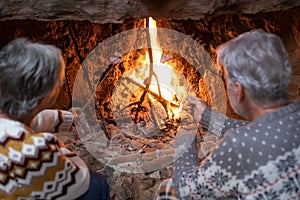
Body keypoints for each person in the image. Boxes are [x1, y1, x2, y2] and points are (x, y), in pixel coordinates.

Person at [155, 29, 300, 199]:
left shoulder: (237, 145)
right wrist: (208, 118)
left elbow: (187, 191)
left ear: (238, 90)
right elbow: (269, 129)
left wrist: (185, 142)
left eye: (225, 79)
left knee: (168, 189)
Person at [0, 38, 110, 199]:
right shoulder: (31, 151)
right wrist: (61, 147)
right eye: (59, 83)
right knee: (96, 184)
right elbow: (79, 178)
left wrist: (66, 118)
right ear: (43, 97)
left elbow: (26, 120)